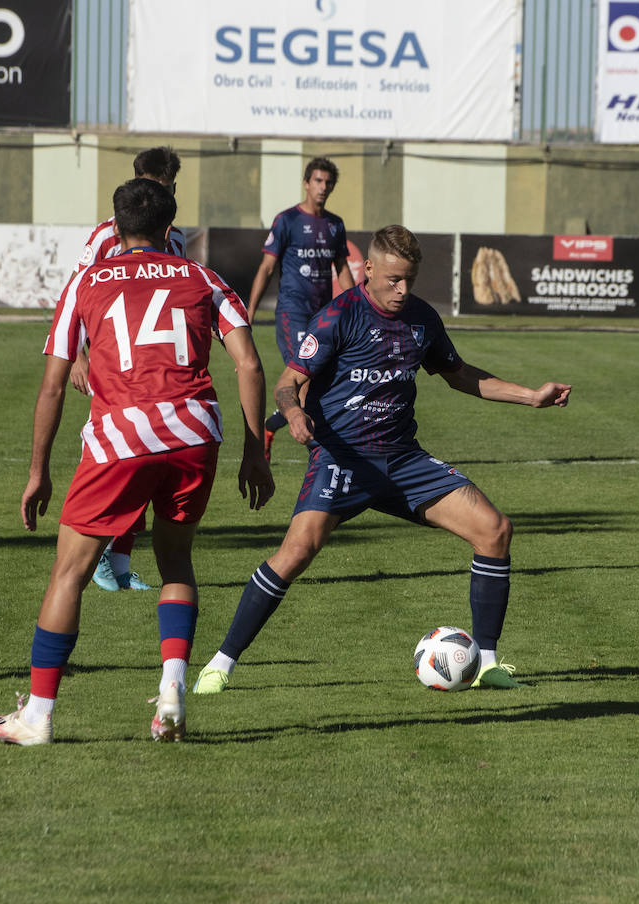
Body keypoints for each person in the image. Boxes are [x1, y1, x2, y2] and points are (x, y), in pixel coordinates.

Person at [193, 225, 571, 695]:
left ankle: (488, 664)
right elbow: (288, 381)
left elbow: (459, 375)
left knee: (494, 531)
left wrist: (530, 396)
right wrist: (292, 414)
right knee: (296, 553)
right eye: (393, 279)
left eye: (409, 280)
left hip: (402, 460)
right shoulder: (339, 315)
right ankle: (220, 664)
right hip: (342, 458)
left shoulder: (422, 318)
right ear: (367, 269)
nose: (402, 290)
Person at [0, 178, 275, 746]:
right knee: (176, 562)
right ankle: (172, 692)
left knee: (69, 574)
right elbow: (250, 365)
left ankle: (37, 717)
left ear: (114, 229)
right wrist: (255, 454)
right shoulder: (203, 277)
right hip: (194, 434)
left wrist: (38, 471)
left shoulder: (86, 281)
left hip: (121, 436)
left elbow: (52, 387)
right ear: (171, 230)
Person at [70, 146, 186, 592]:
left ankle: (118, 561)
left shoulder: (175, 239)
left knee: (150, 456)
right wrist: (79, 355)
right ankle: (99, 552)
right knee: (121, 455)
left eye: (168, 188)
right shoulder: (105, 237)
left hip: (158, 366)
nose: (162, 195)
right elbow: (75, 294)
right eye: (156, 187)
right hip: (114, 362)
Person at [248, 156, 355, 459]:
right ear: (306, 183)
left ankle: (272, 425)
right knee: (303, 382)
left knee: (322, 384)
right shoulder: (287, 220)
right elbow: (267, 268)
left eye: (328, 182)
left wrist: (359, 305)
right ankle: (320, 452)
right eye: (318, 181)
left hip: (322, 316)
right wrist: (250, 311)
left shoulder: (335, 224)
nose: (323, 187)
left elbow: (342, 268)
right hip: (292, 313)